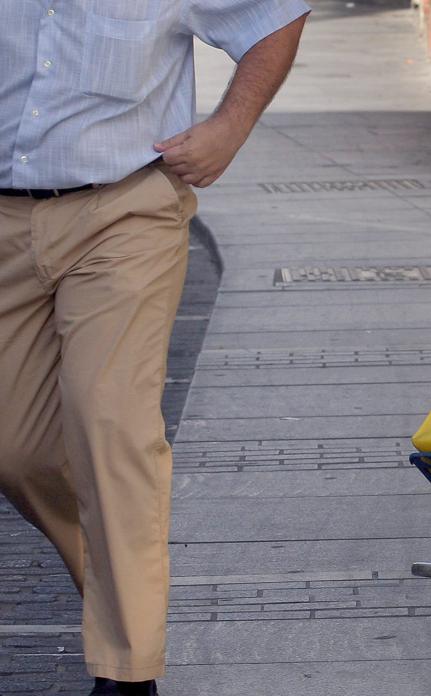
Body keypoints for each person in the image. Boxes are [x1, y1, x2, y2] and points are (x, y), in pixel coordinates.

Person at [0, 2, 310, 693]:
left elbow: (275, 14)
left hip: (124, 211)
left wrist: (230, 127)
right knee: (17, 453)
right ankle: (124, 592)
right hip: (4, 218)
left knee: (110, 422)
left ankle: (129, 668)